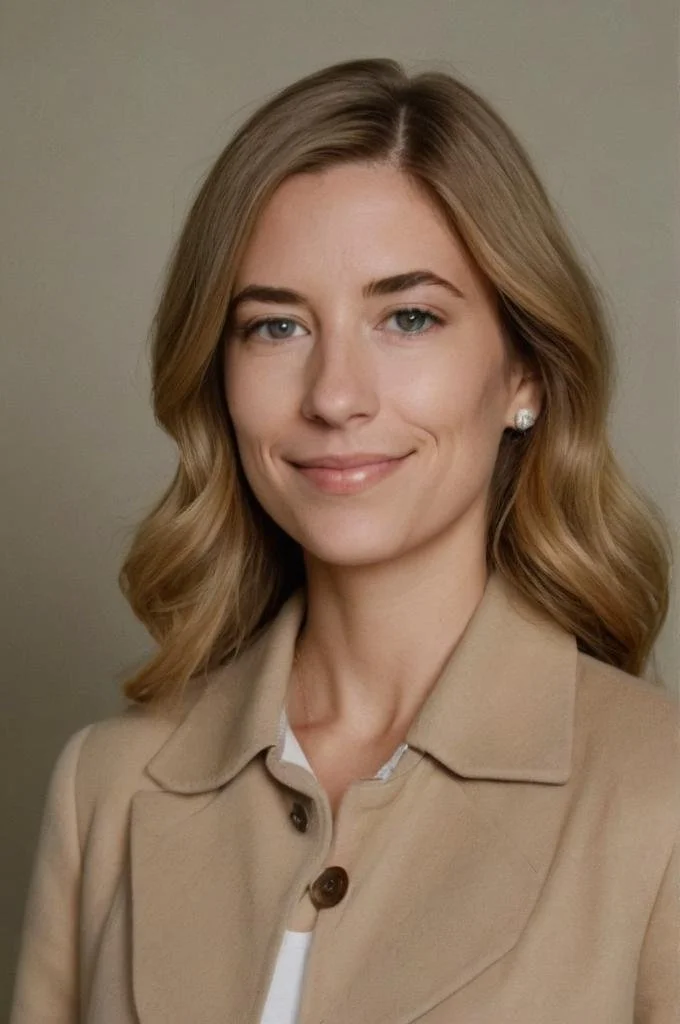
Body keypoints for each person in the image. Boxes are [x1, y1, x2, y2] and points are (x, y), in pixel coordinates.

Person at [10, 57, 679, 1024]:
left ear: (525, 374)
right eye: (276, 327)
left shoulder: (657, 795)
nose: (334, 397)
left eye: (408, 317)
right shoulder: (107, 789)